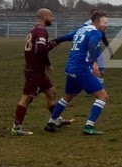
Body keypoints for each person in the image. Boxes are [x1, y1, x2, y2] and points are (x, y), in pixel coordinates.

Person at [45, 11, 111, 136]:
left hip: (70, 67)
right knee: (103, 97)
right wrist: (95, 63)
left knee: (68, 96)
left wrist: (52, 43)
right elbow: (92, 44)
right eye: (105, 23)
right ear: (96, 22)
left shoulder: (81, 30)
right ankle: (89, 126)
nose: (107, 25)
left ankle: (51, 122)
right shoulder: (96, 32)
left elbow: (65, 37)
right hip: (81, 69)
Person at [10, 8, 72, 136]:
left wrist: (58, 41)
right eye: (51, 15)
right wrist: (48, 64)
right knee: (27, 98)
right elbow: (41, 50)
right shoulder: (41, 30)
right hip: (35, 70)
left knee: (51, 92)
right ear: (44, 17)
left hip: (37, 70)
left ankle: (57, 119)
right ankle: (16, 127)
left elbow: (43, 47)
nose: (52, 18)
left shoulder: (35, 29)